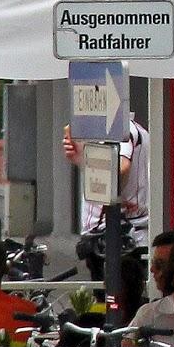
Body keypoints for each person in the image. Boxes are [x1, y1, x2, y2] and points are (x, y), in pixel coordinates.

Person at [62, 117, 150, 277]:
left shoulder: (121, 129)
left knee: (115, 295)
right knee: (106, 297)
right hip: (108, 236)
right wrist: (81, 159)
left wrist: (114, 198)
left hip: (118, 237)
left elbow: (122, 167)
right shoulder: (109, 130)